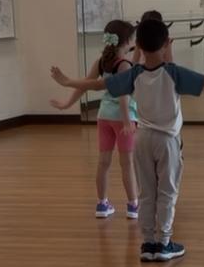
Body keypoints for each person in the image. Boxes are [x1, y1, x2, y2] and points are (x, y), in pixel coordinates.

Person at [51, 18, 204, 262]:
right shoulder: (173, 73)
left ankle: (148, 243)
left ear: (139, 46)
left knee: (147, 192)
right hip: (167, 141)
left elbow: (97, 84)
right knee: (167, 192)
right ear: (166, 43)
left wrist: (68, 81)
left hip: (142, 139)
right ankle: (164, 243)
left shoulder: (134, 73)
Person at [49, 19, 139, 219]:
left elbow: (85, 85)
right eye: (132, 38)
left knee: (103, 163)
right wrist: (127, 121)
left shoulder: (101, 62)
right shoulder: (124, 65)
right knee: (127, 164)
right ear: (126, 41)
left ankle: (102, 204)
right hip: (122, 119)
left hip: (103, 116)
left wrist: (67, 104)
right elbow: (123, 96)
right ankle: (133, 205)